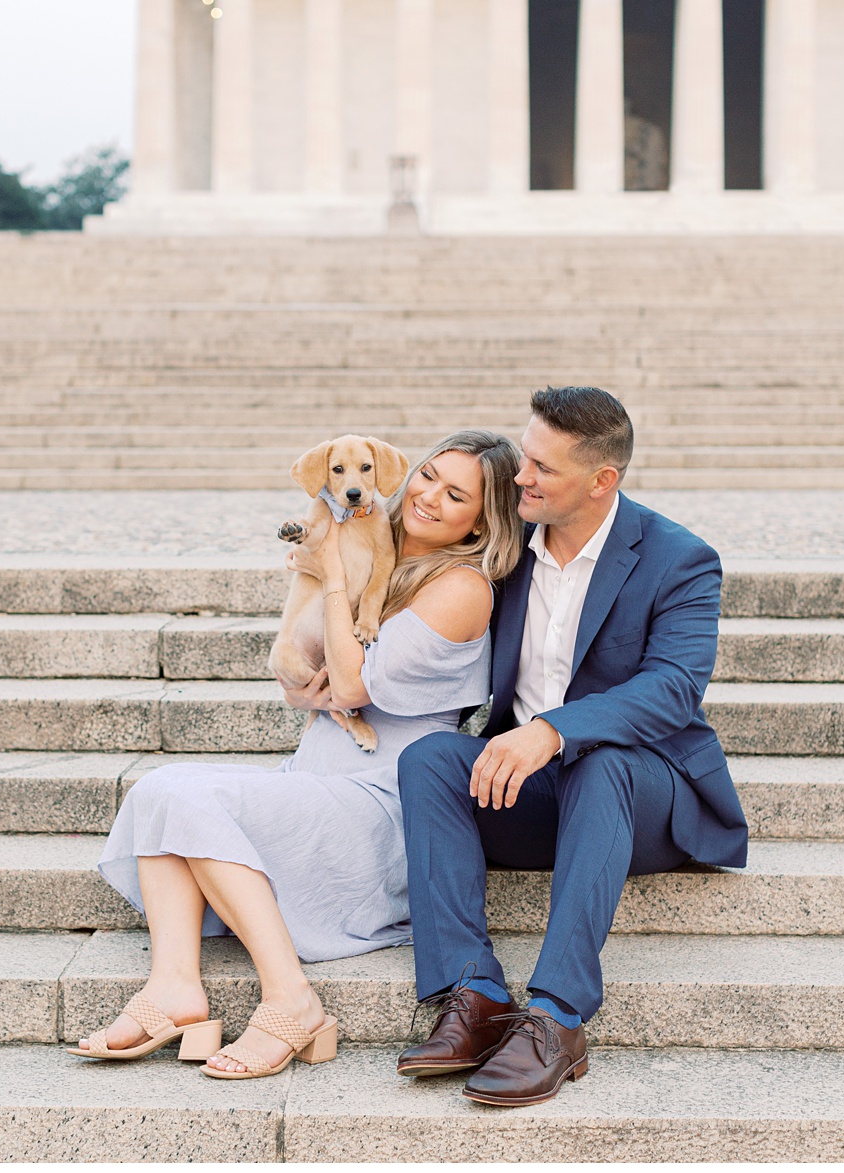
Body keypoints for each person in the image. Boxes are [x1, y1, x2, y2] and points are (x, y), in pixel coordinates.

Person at [80, 431, 524, 1079]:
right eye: (427, 475)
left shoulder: (462, 587)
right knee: (158, 790)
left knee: (184, 795)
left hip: (375, 808)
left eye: (455, 494)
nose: (427, 495)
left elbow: (351, 684)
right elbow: (313, 663)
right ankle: (173, 986)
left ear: (481, 521)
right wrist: (296, 675)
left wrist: (335, 574)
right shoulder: (379, 541)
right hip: (318, 781)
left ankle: (293, 999)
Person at [396, 387, 748, 1106]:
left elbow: (675, 688)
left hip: (643, 798)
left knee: (603, 758)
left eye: (541, 467)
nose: (520, 475)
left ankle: (557, 1017)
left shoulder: (679, 559)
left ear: (601, 480)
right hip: (532, 794)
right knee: (430, 759)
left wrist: (553, 729)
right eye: (525, 455)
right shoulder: (508, 548)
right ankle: (475, 993)